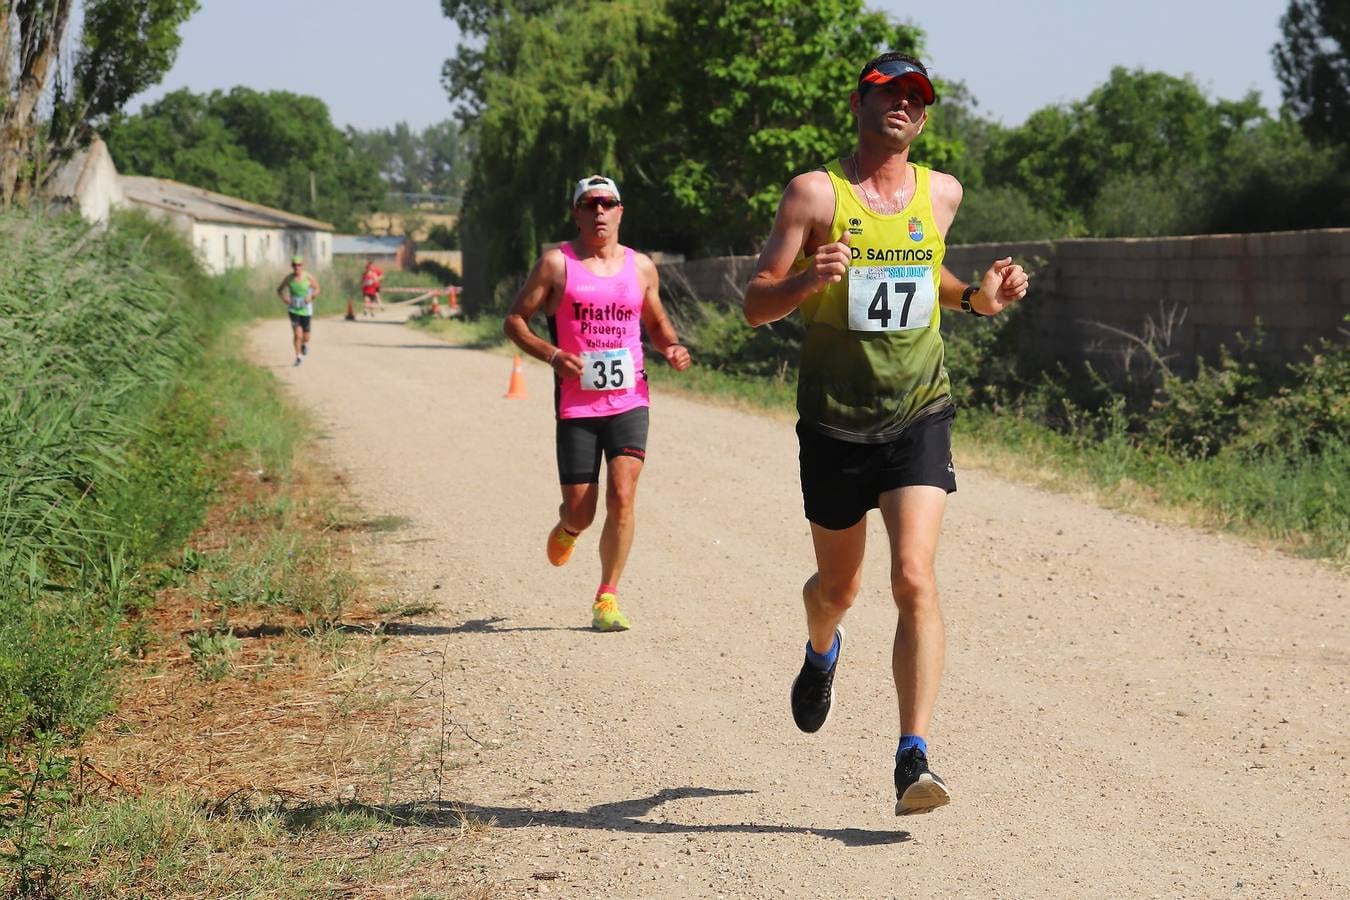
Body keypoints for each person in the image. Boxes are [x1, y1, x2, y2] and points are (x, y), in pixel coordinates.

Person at [742, 53, 1029, 816]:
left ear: (926, 117)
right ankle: (821, 648)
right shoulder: (815, 193)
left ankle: (913, 756)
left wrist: (977, 298)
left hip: (919, 411)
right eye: (888, 92)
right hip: (836, 420)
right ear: (860, 101)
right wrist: (807, 281)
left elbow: (927, 271)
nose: (902, 104)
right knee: (839, 588)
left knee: (914, 577)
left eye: (916, 97)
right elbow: (754, 303)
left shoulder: (941, 193)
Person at [504, 175, 692, 632]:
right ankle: (569, 527)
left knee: (623, 496)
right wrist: (551, 354)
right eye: (590, 204)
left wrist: (672, 347)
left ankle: (607, 596)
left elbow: (658, 321)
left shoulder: (641, 267)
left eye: (608, 203)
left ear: (621, 211)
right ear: (578, 213)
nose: (600, 211)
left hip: (630, 398)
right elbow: (515, 320)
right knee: (582, 510)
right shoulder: (556, 265)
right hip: (577, 405)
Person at [277, 254, 321, 366]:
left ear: (302, 266)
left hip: (306, 310)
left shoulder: (308, 277)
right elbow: (279, 290)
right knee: (297, 335)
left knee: (306, 337)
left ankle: (304, 345)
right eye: (295, 265)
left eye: (299, 265)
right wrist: (285, 299)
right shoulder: (289, 278)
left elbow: (317, 289)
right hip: (293, 310)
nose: (297, 267)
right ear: (292, 266)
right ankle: (298, 357)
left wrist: (311, 297)